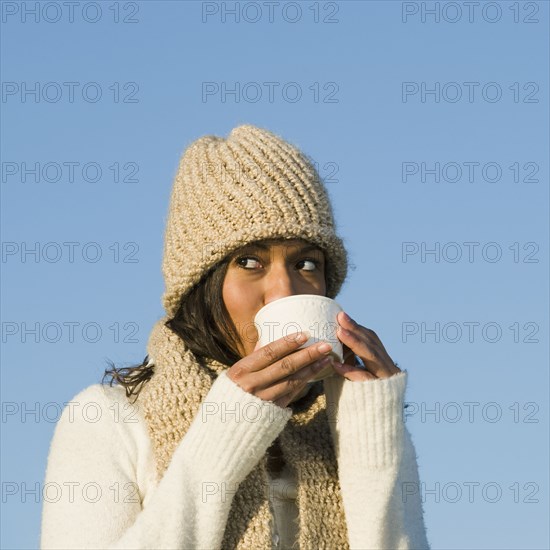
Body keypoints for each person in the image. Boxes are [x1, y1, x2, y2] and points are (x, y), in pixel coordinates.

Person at [40, 124, 431, 549]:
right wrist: (226, 431)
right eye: (249, 262)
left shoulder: (344, 418)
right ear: (200, 284)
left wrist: (373, 429)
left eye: (306, 264)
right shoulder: (107, 419)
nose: (285, 290)